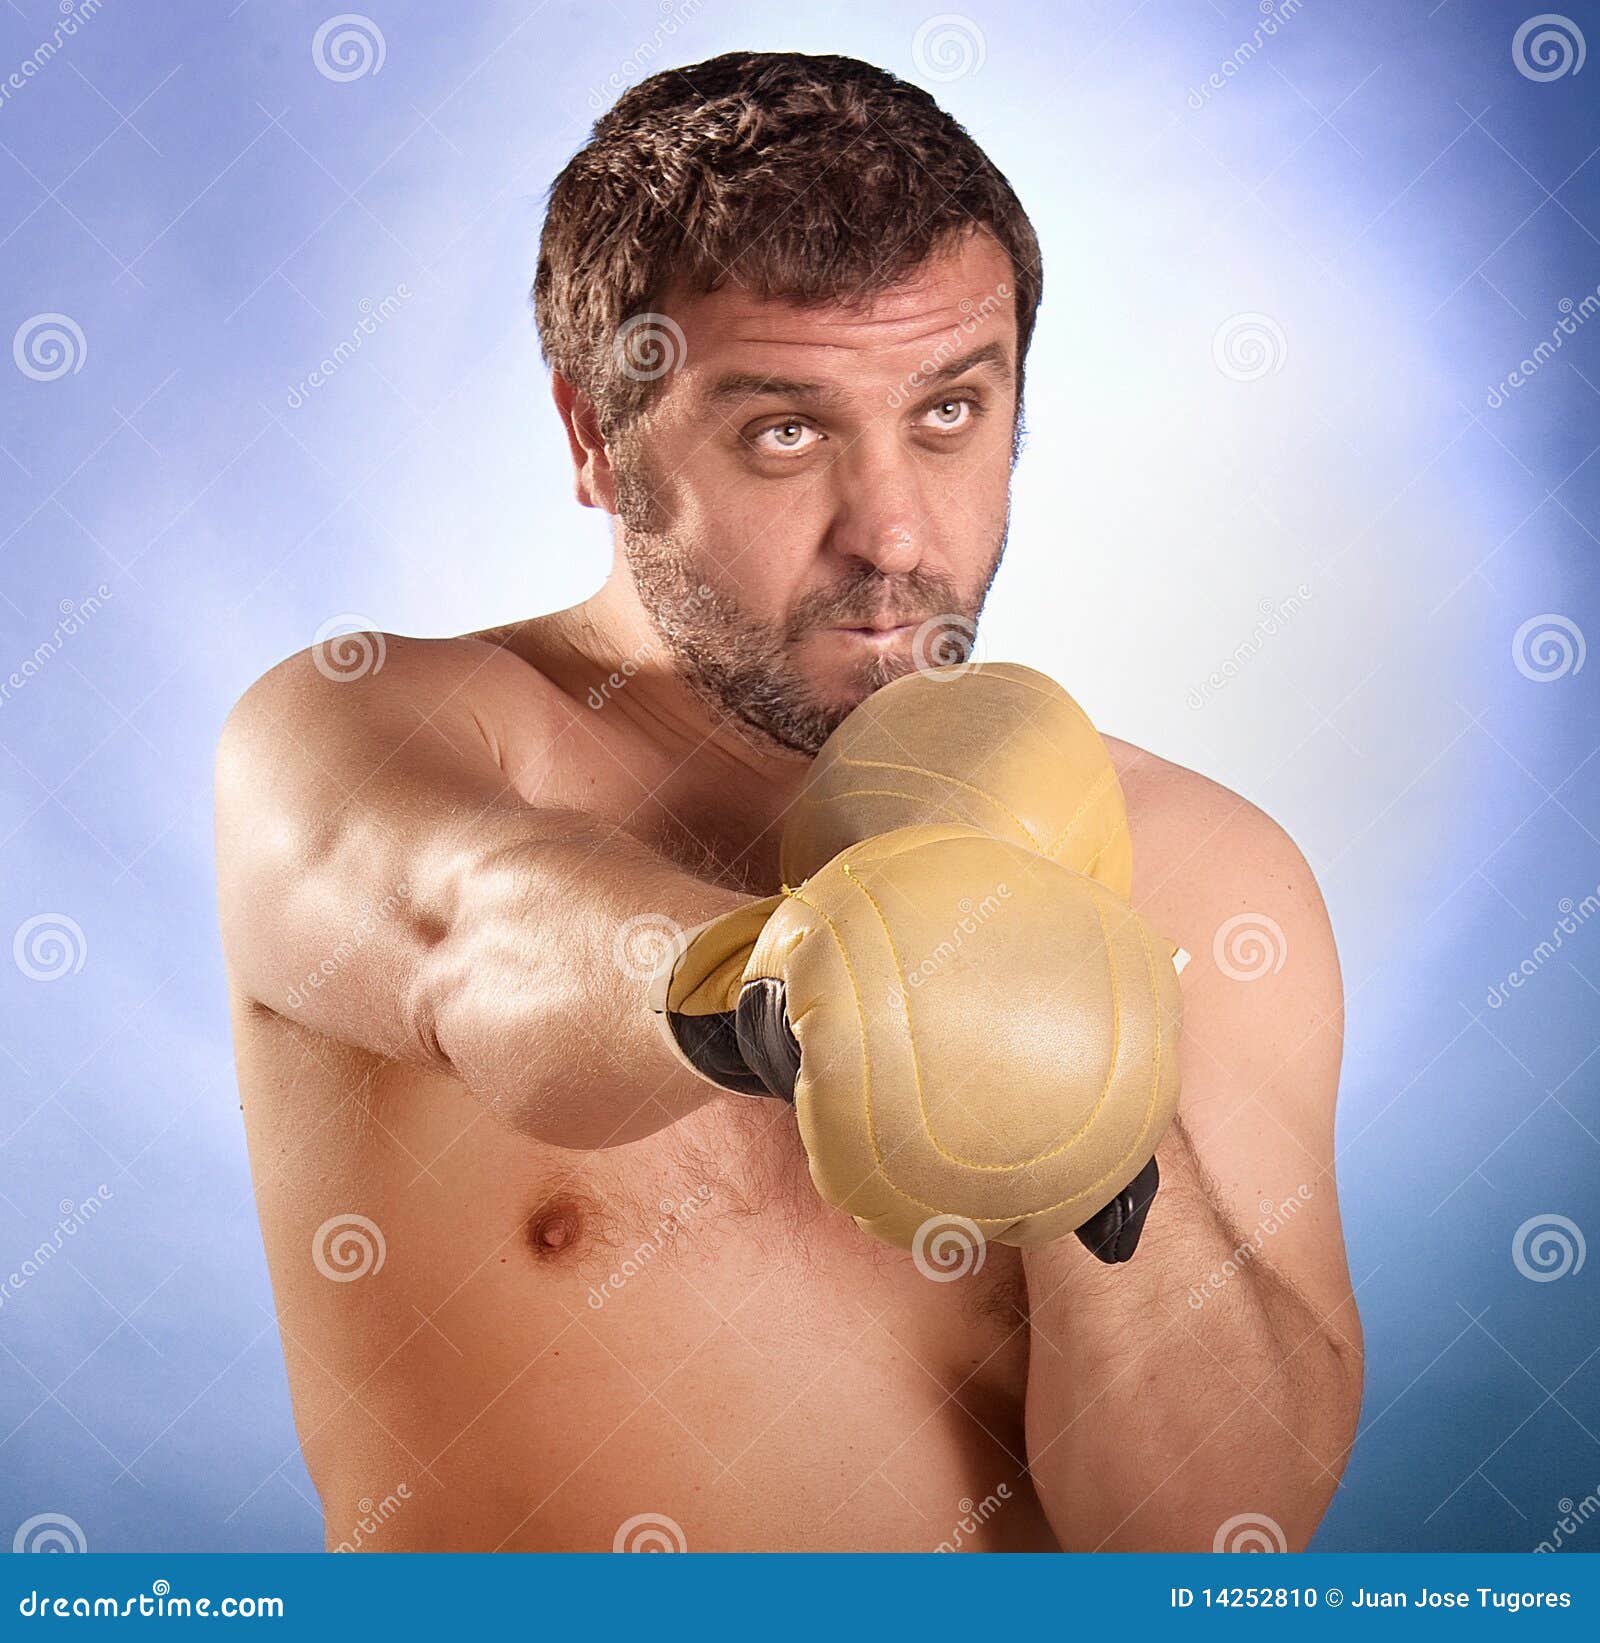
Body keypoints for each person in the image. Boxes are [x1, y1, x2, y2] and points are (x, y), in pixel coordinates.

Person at [214, 51, 1362, 1553]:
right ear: (593, 438)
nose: (892, 531)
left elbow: (1218, 1534)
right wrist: (783, 987)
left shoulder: (1208, 870)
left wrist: (1098, 1142)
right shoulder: (376, 729)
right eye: (784, 431)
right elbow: (476, 935)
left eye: (950, 410)